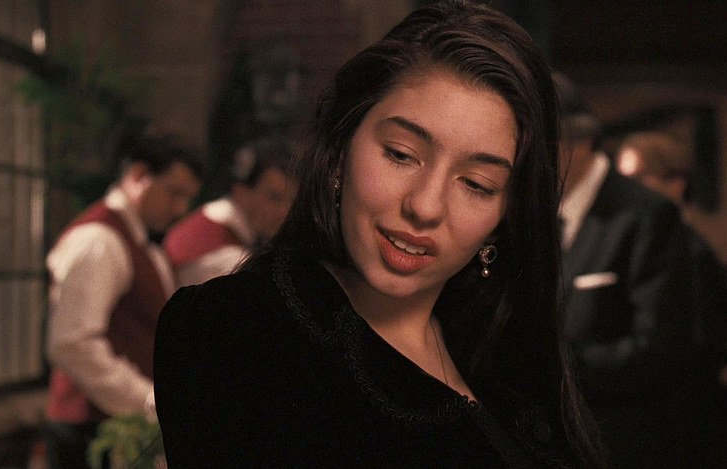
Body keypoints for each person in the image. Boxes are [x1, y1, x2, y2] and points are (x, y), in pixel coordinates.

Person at [154, 1, 605, 467]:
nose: (425, 206)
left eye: (476, 184)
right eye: (401, 154)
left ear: (506, 215)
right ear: (340, 147)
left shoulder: (508, 352)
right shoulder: (237, 330)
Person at [553, 73, 696, 468]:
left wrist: (549, 363)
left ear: (581, 141)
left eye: (541, 145)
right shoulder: (535, 212)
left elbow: (661, 349)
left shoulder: (647, 214)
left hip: (623, 441)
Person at [44, 133, 203, 469]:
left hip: (113, 429)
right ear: (138, 175)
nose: (180, 209)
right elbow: (72, 343)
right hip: (92, 432)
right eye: (174, 193)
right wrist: (149, 401)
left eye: (187, 198)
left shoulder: (136, 240)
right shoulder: (99, 240)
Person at [615, 130, 727, 467]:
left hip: (684, 426)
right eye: (620, 179)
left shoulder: (691, 251)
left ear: (676, 184)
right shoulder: (635, 244)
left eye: (636, 178)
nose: (624, 190)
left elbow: (695, 350)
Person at [163, 136, 297, 286]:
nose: (285, 211)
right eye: (274, 197)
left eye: (291, 200)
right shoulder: (230, 259)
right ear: (241, 192)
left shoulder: (210, 217)